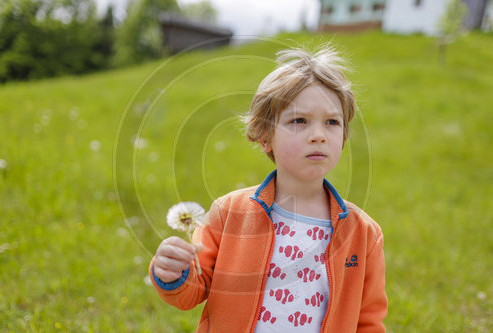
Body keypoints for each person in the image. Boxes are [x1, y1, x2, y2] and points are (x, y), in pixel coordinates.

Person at [149, 45, 388, 332]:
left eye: (332, 122)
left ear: (344, 135)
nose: (318, 136)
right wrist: (173, 272)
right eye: (299, 120)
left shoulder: (363, 233)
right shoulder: (228, 213)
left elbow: (368, 321)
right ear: (264, 136)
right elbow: (193, 291)